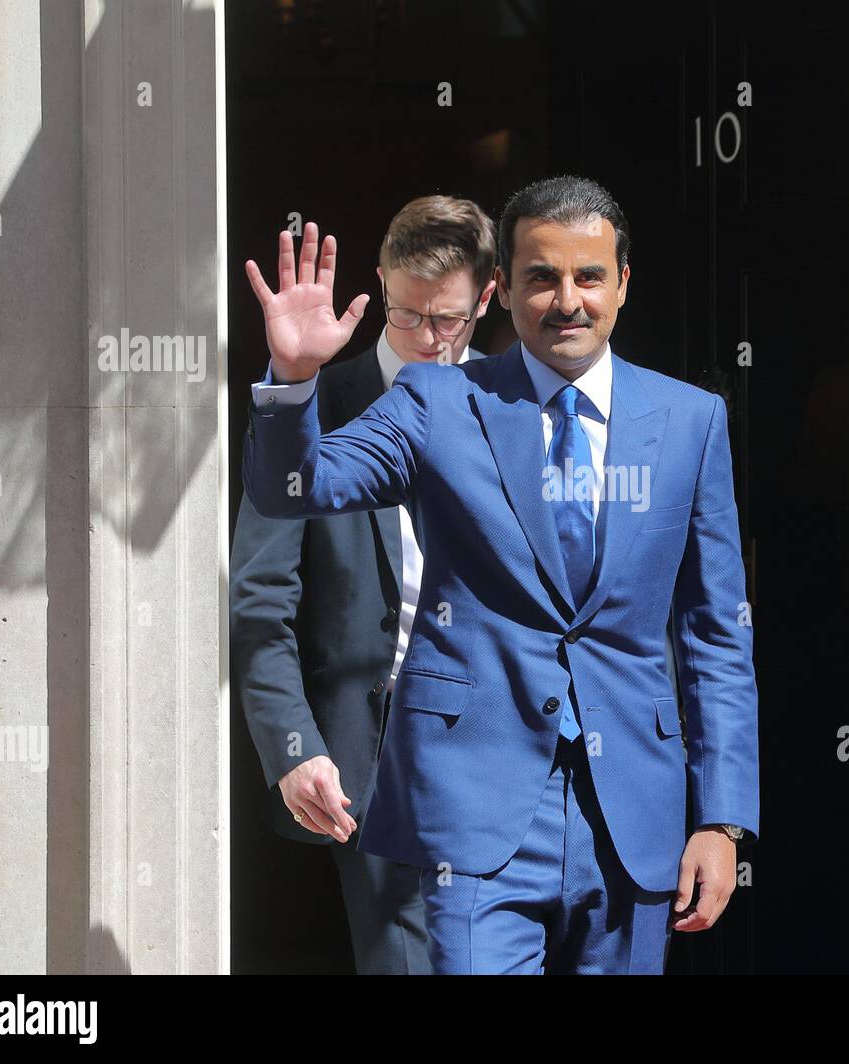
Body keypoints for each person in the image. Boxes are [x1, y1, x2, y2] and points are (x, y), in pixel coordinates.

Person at [242, 175, 759, 974]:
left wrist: (721, 820)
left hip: (633, 812)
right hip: (476, 810)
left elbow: (715, 632)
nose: (567, 300)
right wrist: (294, 380)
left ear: (624, 281)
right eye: (541, 278)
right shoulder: (439, 399)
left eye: (589, 276)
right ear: (506, 292)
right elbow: (298, 488)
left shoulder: (691, 421)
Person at [231, 195, 494, 974]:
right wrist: (293, 749)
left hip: (509, 748)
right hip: (375, 762)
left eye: (447, 320)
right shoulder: (315, 406)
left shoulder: (519, 407)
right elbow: (260, 598)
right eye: (406, 314)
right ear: (380, 284)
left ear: (486, 297)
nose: (426, 340)